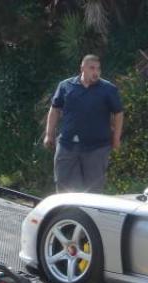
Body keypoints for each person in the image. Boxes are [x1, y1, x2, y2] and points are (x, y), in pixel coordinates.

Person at [44, 54, 124, 193]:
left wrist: (116, 139)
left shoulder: (108, 89)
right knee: (64, 187)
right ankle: (65, 214)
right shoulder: (66, 86)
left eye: (98, 69)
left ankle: (87, 215)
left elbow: (118, 113)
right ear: (82, 68)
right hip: (67, 145)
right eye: (92, 68)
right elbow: (55, 109)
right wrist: (49, 134)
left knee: (92, 191)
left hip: (97, 148)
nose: (96, 72)